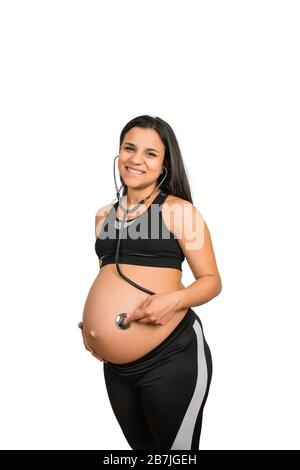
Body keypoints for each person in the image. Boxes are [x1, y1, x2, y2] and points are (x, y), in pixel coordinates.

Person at [78, 114, 222, 450]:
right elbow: (109, 276)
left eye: (150, 153)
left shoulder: (179, 211)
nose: (136, 159)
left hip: (171, 355)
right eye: (129, 148)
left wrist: (172, 301)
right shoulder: (103, 216)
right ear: (118, 153)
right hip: (117, 369)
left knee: (176, 457)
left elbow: (212, 281)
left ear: (165, 165)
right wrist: (94, 327)